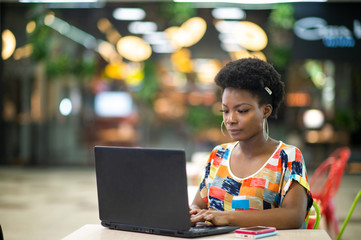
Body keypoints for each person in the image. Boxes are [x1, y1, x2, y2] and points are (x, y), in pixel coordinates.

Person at [189, 58, 313, 229]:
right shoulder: (218, 155)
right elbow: (197, 205)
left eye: (242, 111)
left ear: (265, 110)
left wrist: (227, 217)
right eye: (225, 111)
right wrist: (193, 213)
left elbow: (293, 215)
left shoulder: (287, 157)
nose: (230, 119)